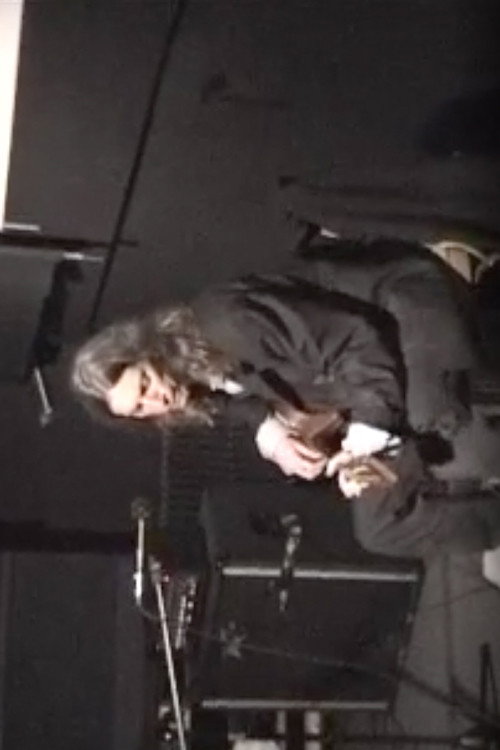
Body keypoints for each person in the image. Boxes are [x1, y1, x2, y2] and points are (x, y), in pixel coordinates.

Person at [71, 274, 406, 481]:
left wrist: (365, 438)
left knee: (433, 438)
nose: (156, 401)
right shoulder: (191, 380)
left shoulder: (230, 324)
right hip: (362, 394)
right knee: (380, 528)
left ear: (149, 350)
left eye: (145, 384)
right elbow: (231, 404)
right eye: (140, 408)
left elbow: (357, 340)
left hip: (397, 338)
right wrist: (273, 436)